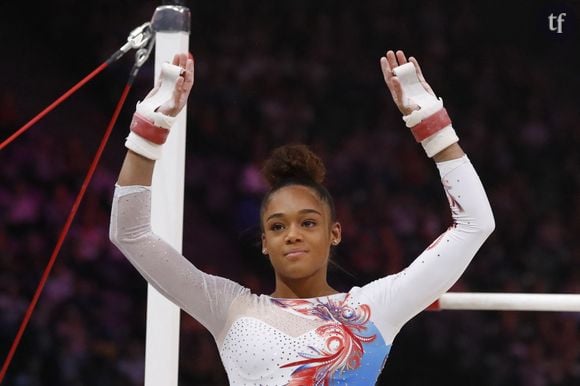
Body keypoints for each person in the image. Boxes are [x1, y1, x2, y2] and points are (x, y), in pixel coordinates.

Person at [110, 50, 495, 385]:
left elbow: (476, 225)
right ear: (264, 242)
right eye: (277, 227)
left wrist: (434, 129)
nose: (292, 234)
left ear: (335, 233)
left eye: (308, 222)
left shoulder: (376, 307)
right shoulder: (226, 306)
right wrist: (148, 131)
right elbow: (131, 234)